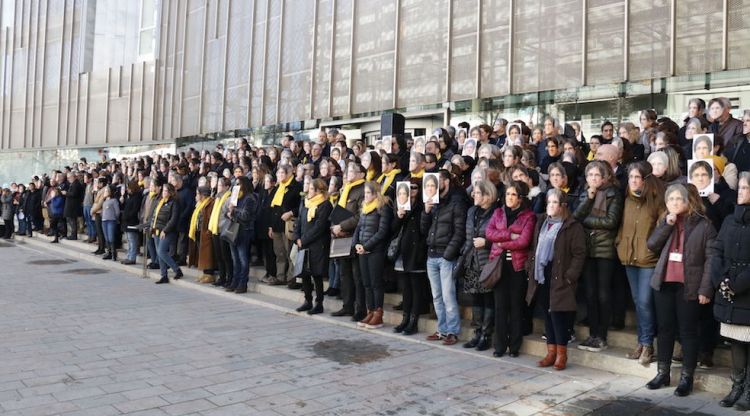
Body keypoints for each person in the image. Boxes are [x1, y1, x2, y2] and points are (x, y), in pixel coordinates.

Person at [646, 183, 716, 397]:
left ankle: (687, 377)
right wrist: (667, 224)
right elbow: (652, 245)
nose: (675, 203)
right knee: (665, 329)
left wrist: (706, 289)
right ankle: (663, 372)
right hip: (664, 283)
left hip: (690, 286)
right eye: (671, 199)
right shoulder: (665, 221)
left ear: (688, 201)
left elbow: (711, 260)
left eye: (679, 199)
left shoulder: (705, 225)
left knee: (688, 331)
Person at [526, 189, 586, 370]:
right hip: (542, 275)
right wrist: (531, 266)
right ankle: (550, 352)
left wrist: (570, 276)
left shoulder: (572, 226)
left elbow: (579, 253)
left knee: (558, 316)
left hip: (560, 275)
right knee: (547, 315)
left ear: (562, 206)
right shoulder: (542, 222)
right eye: (548, 202)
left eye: (554, 202)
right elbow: (534, 247)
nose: (550, 206)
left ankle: (561, 354)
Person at [616, 162, 665, 366]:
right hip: (628, 256)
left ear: (645, 179)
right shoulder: (626, 199)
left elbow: (663, 228)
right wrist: (619, 243)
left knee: (645, 302)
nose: (634, 181)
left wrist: (652, 247)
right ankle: (641, 341)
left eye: (637, 177)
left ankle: (647, 345)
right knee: (638, 302)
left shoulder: (656, 201)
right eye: (631, 177)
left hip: (648, 259)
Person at [574, 161, 624, 353]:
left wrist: (587, 221)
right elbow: (576, 216)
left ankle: (602, 335)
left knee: (603, 294)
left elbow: (611, 221)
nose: (593, 179)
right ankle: (592, 334)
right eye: (590, 175)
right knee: (590, 293)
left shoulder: (613, 193)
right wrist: (588, 198)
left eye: (597, 175)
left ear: (604, 177)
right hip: (587, 248)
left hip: (605, 250)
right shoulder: (585, 192)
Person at [710, 173, 750, 409]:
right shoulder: (729, 220)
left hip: (745, 290)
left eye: (746, 188)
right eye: (741, 187)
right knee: (736, 341)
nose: (741, 191)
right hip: (729, 291)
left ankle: (748, 390)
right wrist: (722, 280)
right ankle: (736, 386)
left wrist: (738, 284)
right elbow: (717, 251)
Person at [486, 181, 536, 358]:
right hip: (499, 265)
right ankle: (499, 346)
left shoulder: (529, 216)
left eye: (513, 195)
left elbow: (524, 241)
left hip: (517, 267)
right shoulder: (498, 212)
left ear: (520, 198)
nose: (509, 197)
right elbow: (489, 233)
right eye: (507, 194)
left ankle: (514, 346)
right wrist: (509, 235)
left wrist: (501, 242)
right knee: (500, 307)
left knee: (516, 307)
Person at [421, 169, 468, 345]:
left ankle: (452, 331)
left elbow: (459, 231)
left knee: (448, 296)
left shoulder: (456, 201)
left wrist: (449, 254)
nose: (433, 184)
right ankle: (442, 329)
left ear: (446, 181)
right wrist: (426, 212)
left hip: (446, 256)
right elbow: (424, 230)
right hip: (431, 254)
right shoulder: (434, 202)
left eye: (438, 180)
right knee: (437, 296)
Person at [460, 179, 497, 351]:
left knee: (488, 299)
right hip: (472, 260)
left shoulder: (496, 212)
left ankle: (486, 335)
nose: (474, 194)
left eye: (478, 192)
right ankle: (477, 333)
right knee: (475, 297)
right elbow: (468, 237)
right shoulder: (471, 211)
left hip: (487, 262)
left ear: (487, 195)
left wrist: (487, 243)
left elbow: (500, 237)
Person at [353, 181, 392, 329]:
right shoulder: (365, 207)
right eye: (365, 193)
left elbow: (382, 232)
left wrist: (366, 246)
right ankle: (370, 311)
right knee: (367, 283)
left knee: (376, 283)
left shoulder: (383, 207)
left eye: (368, 193)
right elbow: (358, 228)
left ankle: (378, 313)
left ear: (376, 193)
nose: (366, 196)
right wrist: (356, 243)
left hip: (375, 251)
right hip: (363, 250)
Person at [331, 163, 366, 320]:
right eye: (348, 170)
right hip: (341, 236)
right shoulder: (345, 189)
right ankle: (347, 306)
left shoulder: (363, 190)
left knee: (357, 275)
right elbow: (338, 210)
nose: (349, 173)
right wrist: (334, 226)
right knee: (345, 274)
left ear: (361, 174)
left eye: (353, 171)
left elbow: (360, 216)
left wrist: (342, 225)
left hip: (354, 236)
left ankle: (360, 309)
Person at [391, 181, 427, 335]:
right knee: (406, 288)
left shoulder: (423, 206)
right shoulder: (402, 205)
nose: (412, 190)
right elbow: (393, 229)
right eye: (409, 187)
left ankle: (413, 320)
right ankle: (405, 319)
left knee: (416, 287)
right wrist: (399, 216)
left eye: (415, 187)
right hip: (403, 250)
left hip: (417, 251)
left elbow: (425, 229)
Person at [293, 178, 332, 314]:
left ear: (317, 191)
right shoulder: (305, 202)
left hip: (317, 245)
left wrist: (303, 240)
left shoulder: (325, 205)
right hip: (303, 244)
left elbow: (319, 227)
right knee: (304, 274)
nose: (307, 191)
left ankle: (319, 303)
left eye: (310, 189)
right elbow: (298, 221)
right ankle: (307, 301)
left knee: (316, 275)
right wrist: (297, 237)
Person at [267, 165, 302, 286]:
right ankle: (280, 276)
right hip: (277, 224)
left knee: (290, 252)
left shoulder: (296, 187)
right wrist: (271, 226)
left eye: (282, 173)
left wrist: (291, 212)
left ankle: (292, 277)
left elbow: (300, 206)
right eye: (278, 173)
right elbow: (273, 208)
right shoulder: (278, 187)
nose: (280, 176)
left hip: (288, 224)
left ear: (288, 174)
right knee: (279, 252)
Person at [225, 176, 257, 294]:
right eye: (235, 183)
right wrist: (229, 212)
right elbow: (229, 212)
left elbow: (246, 215)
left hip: (244, 231)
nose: (236, 186)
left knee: (243, 259)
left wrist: (234, 211)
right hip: (234, 230)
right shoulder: (236, 197)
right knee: (235, 259)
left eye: (238, 183)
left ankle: (243, 283)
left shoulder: (250, 198)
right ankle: (235, 281)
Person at [152, 183, 184, 284]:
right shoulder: (161, 201)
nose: (163, 193)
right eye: (163, 191)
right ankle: (163, 275)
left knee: (162, 251)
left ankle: (177, 269)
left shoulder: (174, 203)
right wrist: (153, 229)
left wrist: (165, 230)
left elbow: (173, 219)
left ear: (170, 192)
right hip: (157, 230)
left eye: (166, 191)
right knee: (159, 253)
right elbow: (155, 216)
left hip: (167, 231)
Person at [208, 178, 234, 287]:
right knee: (219, 256)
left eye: (221, 185)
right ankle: (222, 277)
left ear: (227, 187)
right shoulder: (217, 197)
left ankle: (229, 278)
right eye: (218, 185)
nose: (218, 187)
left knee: (226, 256)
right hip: (215, 229)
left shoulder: (229, 197)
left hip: (224, 229)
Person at [189, 186, 216, 282]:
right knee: (202, 253)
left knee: (207, 254)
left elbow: (209, 217)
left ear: (202, 195)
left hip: (205, 232)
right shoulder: (200, 204)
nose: (196, 196)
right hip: (199, 231)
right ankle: (205, 273)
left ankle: (210, 274)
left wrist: (208, 231)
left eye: (197, 194)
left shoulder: (210, 203)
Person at [121, 181, 143, 265]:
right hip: (127, 222)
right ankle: (129, 256)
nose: (127, 190)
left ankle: (132, 258)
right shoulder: (130, 197)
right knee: (129, 241)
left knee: (133, 241)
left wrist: (127, 216)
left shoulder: (137, 197)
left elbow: (135, 210)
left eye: (128, 188)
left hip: (132, 222)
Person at [101, 185, 121, 261]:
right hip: (104, 220)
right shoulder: (105, 201)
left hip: (111, 220)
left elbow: (117, 212)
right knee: (106, 237)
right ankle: (108, 252)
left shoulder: (114, 200)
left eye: (106, 191)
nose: (105, 192)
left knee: (111, 237)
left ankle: (113, 253)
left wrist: (114, 218)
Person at [63, 172, 83, 240]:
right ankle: (72, 234)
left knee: (72, 220)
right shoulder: (73, 184)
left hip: (73, 206)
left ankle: (74, 235)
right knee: (70, 219)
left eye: (69, 178)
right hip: (71, 205)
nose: (68, 179)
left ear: (73, 177)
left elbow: (74, 194)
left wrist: (66, 193)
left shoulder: (76, 184)